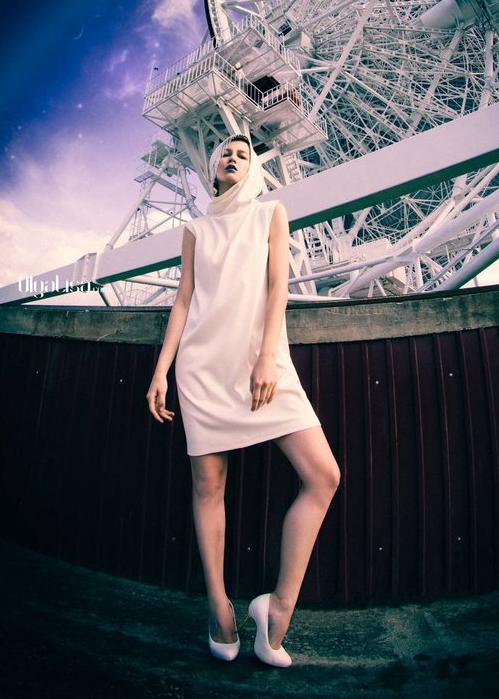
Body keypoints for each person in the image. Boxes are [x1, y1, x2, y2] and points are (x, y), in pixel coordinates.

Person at [146, 133, 340, 667]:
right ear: (213, 169)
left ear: (253, 170)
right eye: (224, 155)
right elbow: (184, 300)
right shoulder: (195, 229)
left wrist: (266, 357)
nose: (231, 158)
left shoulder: (270, 213)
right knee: (208, 488)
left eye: (242, 155)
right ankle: (218, 607)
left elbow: (278, 288)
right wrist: (161, 370)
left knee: (323, 476)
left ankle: (277, 607)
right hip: (202, 369)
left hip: (262, 365)